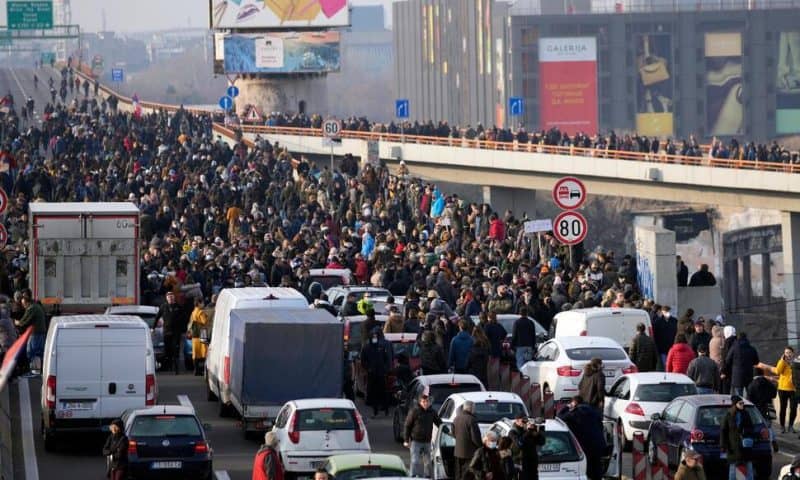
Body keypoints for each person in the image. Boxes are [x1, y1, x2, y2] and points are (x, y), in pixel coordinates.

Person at [558, 396, 606, 480]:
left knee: (585, 469)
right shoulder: (594, 412)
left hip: (585, 447)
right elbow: (601, 426)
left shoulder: (575, 413)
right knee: (596, 469)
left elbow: (559, 417)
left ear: (574, 403)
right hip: (598, 444)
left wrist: (567, 407)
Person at [404, 394, 442, 477]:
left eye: (427, 401)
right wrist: (406, 440)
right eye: (423, 402)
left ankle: (427, 476)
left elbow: (439, 423)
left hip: (427, 441)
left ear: (429, 402)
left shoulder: (432, 412)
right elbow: (407, 425)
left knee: (428, 462)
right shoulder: (415, 411)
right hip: (416, 441)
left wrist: (448, 431)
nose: (425, 403)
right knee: (415, 461)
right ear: (420, 402)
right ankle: (413, 476)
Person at [761, 346, 797, 434]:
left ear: (793, 353)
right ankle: (782, 426)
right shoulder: (782, 362)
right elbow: (777, 372)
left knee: (793, 408)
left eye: (789, 352)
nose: (788, 354)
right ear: (784, 354)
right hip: (783, 388)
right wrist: (782, 361)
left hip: (794, 389)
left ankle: (791, 426)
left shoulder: (795, 363)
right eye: (786, 352)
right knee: (783, 408)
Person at [721, 395, 756, 480]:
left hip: (745, 445)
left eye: (743, 403)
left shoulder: (746, 414)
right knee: (733, 469)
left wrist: (747, 434)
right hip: (733, 447)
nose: (742, 405)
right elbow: (723, 431)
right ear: (735, 404)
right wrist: (723, 445)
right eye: (740, 403)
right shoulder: (728, 415)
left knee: (748, 467)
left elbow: (751, 427)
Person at [361, 327, 392, 417]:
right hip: (372, 374)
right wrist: (368, 368)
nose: (375, 338)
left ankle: (386, 410)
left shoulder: (381, 347)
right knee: (373, 393)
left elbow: (386, 358)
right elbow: (363, 360)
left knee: (383, 392)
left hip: (381, 373)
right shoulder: (366, 348)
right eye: (373, 336)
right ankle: (375, 411)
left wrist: (385, 368)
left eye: (376, 336)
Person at [506, 414, 546, 480]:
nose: (525, 423)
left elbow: (542, 442)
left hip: (532, 463)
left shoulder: (529, 431)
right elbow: (519, 444)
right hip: (520, 464)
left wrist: (538, 431)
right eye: (523, 421)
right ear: (517, 421)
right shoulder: (513, 432)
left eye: (526, 421)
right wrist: (528, 432)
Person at [15, 296, 46, 376]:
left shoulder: (31, 308)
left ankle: (34, 372)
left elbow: (24, 321)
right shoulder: (36, 306)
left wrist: (17, 323)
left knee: (32, 352)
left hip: (35, 333)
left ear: (27, 302)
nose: (23, 306)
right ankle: (38, 371)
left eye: (24, 304)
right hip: (39, 332)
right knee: (38, 352)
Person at [155, 291, 184, 374]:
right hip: (167, 332)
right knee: (168, 350)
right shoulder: (163, 307)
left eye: (172, 297)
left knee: (175, 349)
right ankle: (168, 365)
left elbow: (183, 318)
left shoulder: (178, 307)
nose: (170, 299)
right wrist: (153, 328)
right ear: (167, 299)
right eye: (169, 297)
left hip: (176, 332)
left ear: (174, 298)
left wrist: (182, 328)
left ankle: (176, 368)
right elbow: (157, 317)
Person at [725, 332, 760, 398]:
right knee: (749, 395)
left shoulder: (734, 348)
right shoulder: (751, 348)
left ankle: (740, 407)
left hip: (737, 376)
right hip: (748, 375)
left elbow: (727, 360)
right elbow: (756, 362)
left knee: (738, 398)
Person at [453, 400, 482, 480]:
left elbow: (453, 434)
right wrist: (481, 447)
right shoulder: (472, 420)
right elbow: (475, 438)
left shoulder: (456, 418)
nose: (474, 410)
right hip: (469, 453)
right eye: (474, 408)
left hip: (457, 452)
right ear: (470, 408)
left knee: (459, 474)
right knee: (467, 475)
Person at [187, 297, 210, 376]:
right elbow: (204, 321)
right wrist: (206, 316)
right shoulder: (201, 312)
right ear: (199, 303)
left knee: (195, 352)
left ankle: (196, 370)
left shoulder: (193, 312)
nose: (203, 304)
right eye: (202, 303)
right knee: (204, 351)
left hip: (195, 335)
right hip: (202, 333)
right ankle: (204, 370)